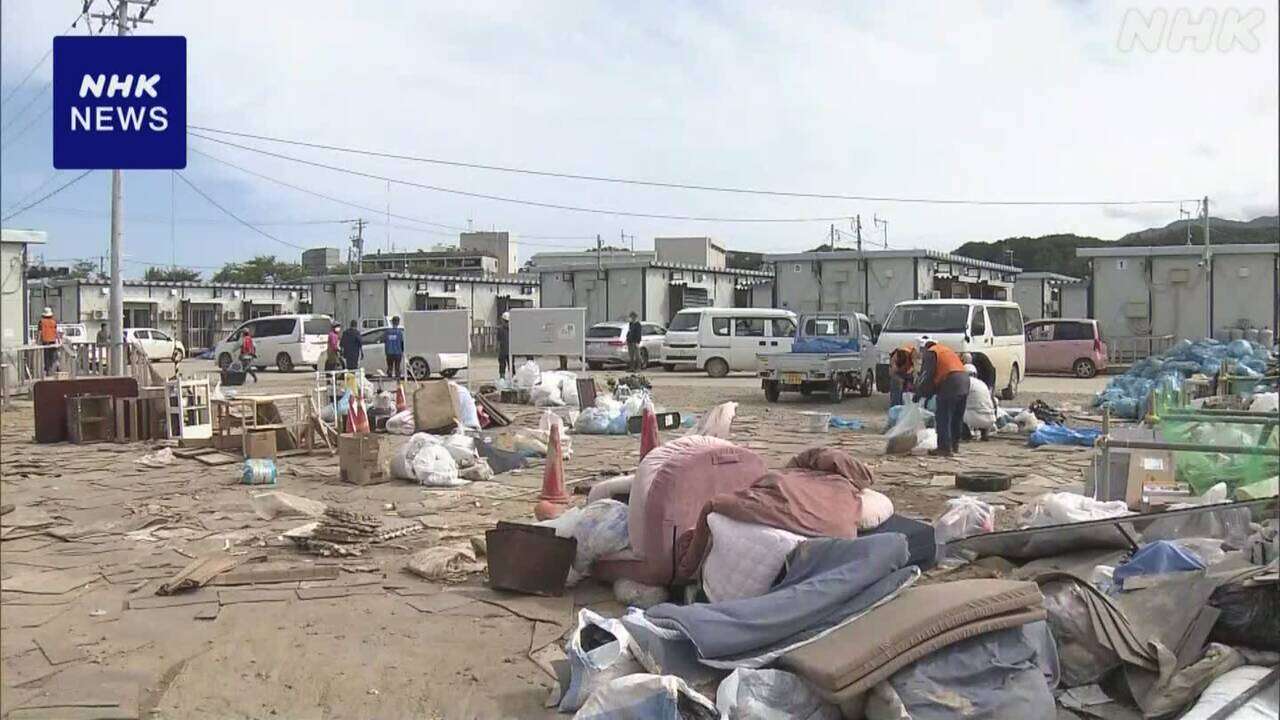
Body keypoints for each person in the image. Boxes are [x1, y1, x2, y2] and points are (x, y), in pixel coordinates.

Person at [914, 336, 969, 457]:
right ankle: (954, 446)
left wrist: (918, 393)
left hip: (951, 381)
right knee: (956, 417)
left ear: (925, 348)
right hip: (964, 380)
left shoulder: (932, 352)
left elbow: (926, 376)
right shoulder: (946, 350)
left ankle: (944, 448)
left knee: (943, 416)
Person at [961, 354, 997, 441]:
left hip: (975, 419)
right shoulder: (982, 383)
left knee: (955, 411)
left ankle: (966, 434)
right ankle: (984, 433)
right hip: (991, 419)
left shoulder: (966, 382)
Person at [36, 307, 59, 375]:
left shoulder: (41, 322)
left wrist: (37, 342)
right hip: (53, 342)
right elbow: (56, 332)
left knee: (46, 358)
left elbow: (40, 333)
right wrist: (58, 341)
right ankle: (52, 371)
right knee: (53, 358)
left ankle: (47, 372)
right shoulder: (54, 322)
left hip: (45, 342)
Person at [497, 311, 511, 380]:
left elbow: (498, 339)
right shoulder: (512, 328)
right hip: (511, 350)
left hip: (503, 350)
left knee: (502, 365)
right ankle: (512, 377)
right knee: (510, 364)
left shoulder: (500, 329)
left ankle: (502, 377)